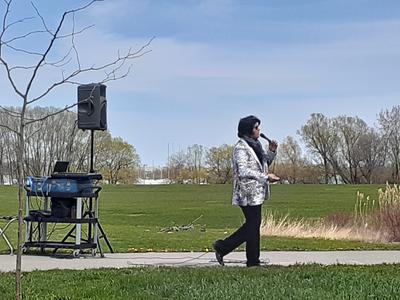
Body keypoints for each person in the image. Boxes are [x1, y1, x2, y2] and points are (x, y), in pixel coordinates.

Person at [213, 115, 279, 267]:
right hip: (246, 193)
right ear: (248, 130)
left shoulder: (256, 145)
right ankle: (222, 247)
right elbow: (243, 171)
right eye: (256, 127)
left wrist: (272, 152)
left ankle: (253, 261)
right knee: (253, 224)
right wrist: (266, 177)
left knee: (254, 224)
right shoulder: (240, 148)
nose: (259, 130)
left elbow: (264, 163)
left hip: (257, 193)